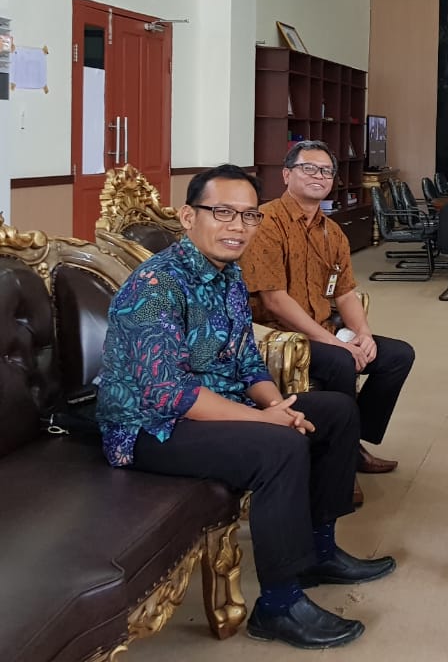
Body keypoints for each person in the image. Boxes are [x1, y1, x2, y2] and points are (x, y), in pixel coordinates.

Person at [96, 165, 395, 650]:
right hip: (150, 429)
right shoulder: (154, 287)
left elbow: (246, 359)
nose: (238, 226)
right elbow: (170, 395)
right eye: (223, 212)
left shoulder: (229, 275)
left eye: (250, 215)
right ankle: (278, 605)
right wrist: (264, 420)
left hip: (213, 405)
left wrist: (278, 404)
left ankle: (320, 551)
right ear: (188, 217)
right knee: (278, 446)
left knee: (337, 412)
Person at [240, 141, 416, 505]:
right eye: (308, 168)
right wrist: (335, 343)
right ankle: (340, 465)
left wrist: (363, 335)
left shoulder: (331, 231)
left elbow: (345, 292)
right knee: (339, 360)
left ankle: (353, 444)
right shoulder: (267, 223)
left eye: (326, 171)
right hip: (277, 336)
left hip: (323, 330)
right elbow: (274, 299)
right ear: (286, 175)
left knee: (397, 355)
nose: (318, 176)